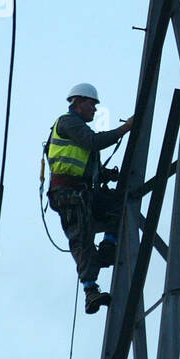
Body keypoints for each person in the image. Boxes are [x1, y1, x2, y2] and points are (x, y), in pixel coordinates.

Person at [45, 83, 134, 314]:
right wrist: (124, 130)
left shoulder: (78, 130)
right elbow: (92, 142)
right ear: (78, 102)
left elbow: (87, 165)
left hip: (81, 191)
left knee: (117, 204)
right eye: (92, 104)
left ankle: (108, 247)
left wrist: (106, 174)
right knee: (81, 236)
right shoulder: (68, 122)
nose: (95, 110)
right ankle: (90, 291)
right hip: (67, 194)